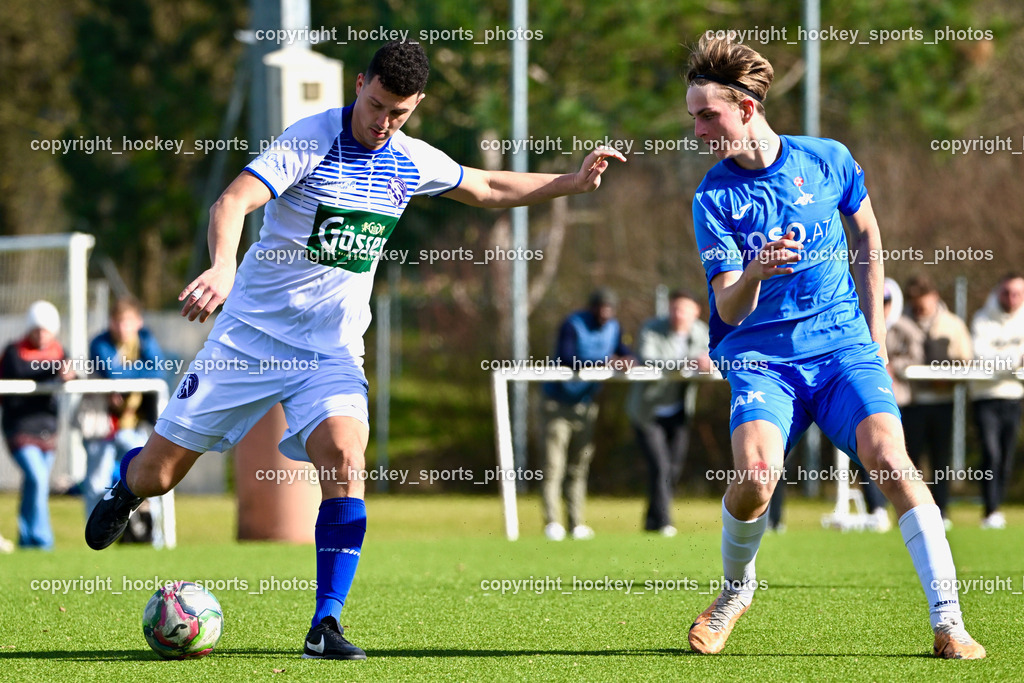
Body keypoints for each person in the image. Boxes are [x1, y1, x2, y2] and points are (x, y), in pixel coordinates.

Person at [85, 40, 624, 660]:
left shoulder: (409, 158)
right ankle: (127, 484)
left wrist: (574, 182)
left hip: (331, 352)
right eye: (374, 105)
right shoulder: (308, 140)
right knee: (160, 474)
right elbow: (232, 200)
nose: (382, 122)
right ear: (359, 84)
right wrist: (224, 267)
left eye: (398, 112)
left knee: (345, 456)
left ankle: (325, 624)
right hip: (249, 340)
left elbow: (489, 186)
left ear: (416, 105)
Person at [684, 35, 984, 658]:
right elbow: (727, 306)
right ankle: (736, 589)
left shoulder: (827, 159)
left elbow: (869, 235)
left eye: (707, 115)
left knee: (893, 465)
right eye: (691, 117)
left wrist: (872, 335)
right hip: (761, 357)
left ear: (746, 107)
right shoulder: (713, 197)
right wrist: (756, 272)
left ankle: (949, 621)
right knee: (757, 478)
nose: (697, 129)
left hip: (844, 350)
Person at [541, 288, 631, 541]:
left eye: (609, 309)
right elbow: (568, 358)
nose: (605, 314)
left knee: (578, 466)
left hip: (585, 404)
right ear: (592, 308)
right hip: (558, 402)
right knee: (553, 465)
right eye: (602, 308)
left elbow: (623, 351)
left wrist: (628, 360)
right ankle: (552, 522)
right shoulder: (572, 324)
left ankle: (576, 522)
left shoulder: (614, 327)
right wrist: (604, 362)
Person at [887, 275, 973, 525]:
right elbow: (889, 359)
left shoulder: (952, 324)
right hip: (911, 403)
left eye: (923, 300)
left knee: (941, 460)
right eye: (915, 301)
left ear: (935, 296)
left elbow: (965, 360)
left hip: (942, 402)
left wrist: (950, 379)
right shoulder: (900, 324)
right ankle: (912, 513)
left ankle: (942, 512)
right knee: (911, 461)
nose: (920, 306)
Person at [626, 289, 709, 536]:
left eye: (683, 308)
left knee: (672, 468)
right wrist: (686, 364)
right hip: (648, 411)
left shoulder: (701, 332)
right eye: (673, 308)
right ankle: (664, 522)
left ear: (695, 311)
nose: (677, 314)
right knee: (660, 466)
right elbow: (648, 358)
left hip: (679, 410)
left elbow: (711, 356)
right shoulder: (651, 328)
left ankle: (651, 520)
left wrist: (709, 362)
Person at [81, 296, 167, 519]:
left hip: (135, 426)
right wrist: (141, 370)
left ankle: (155, 538)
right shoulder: (99, 342)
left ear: (139, 322)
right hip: (103, 427)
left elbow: (159, 372)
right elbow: (114, 373)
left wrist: (131, 373)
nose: (121, 327)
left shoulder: (146, 339)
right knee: (96, 485)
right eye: (117, 321)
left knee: (149, 480)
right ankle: (94, 536)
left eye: (127, 321)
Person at [0, 301, 72, 549]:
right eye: (37, 329)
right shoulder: (13, 351)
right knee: (39, 479)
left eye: (46, 330)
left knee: (34, 484)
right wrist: (56, 371)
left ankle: (25, 538)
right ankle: (43, 541)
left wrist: (70, 373)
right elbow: (21, 371)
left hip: (48, 431)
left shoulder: (61, 351)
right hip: (19, 429)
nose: (41, 335)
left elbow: (74, 372)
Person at [970, 273, 1024, 529]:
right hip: (986, 397)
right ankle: (989, 510)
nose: (1012, 298)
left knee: (1005, 457)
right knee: (991, 454)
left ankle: (997, 508)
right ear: (999, 291)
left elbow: (994, 359)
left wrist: (1000, 359)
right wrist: (1014, 358)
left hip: (1014, 396)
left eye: (1018, 293)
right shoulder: (982, 318)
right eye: (1007, 292)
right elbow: (981, 356)